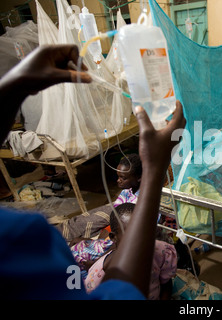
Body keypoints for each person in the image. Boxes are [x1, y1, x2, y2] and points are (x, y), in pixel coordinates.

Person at [0, 44, 186, 299]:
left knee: (87, 236)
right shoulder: (26, 240)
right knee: (87, 226)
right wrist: (157, 167)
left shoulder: (96, 268)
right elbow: (126, 290)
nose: (119, 180)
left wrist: (13, 86)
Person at [85, 203, 177, 300]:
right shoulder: (100, 274)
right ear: (114, 237)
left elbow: (166, 283)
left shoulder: (160, 252)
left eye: (145, 231)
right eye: (131, 235)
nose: (140, 240)